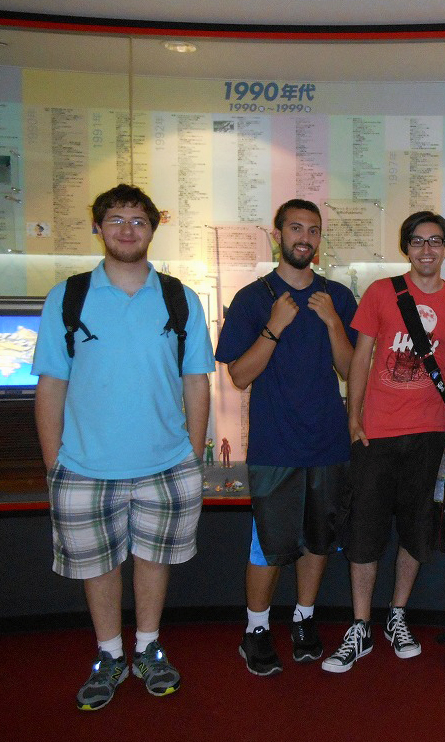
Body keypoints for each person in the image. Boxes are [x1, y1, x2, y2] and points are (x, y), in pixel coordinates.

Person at [32, 183, 214, 710]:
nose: (127, 229)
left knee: (153, 561)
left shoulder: (179, 298)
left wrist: (191, 455)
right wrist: (54, 464)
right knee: (100, 567)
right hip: (84, 467)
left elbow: (196, 381)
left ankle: (148, 647)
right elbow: (51, 385)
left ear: (152, 229)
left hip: (165, 465)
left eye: (138, 220)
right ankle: (110, 654)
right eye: (115, 219)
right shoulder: (68, 297)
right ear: (98, 228)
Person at [324, 211, 445, 673]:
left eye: (435, 241)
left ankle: (397, 615)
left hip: (429, 435)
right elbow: (361, 358)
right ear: (405, 247)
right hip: (376, 434)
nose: (426, 250)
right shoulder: (380, 293)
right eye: (417, 241)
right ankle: (359, 626)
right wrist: (353, 418)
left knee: (416, 530)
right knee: (364, 532)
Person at [214, 198, 357, 677]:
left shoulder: (337, 296)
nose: (305, 238)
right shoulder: (254, 298)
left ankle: (303, 618)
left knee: (318, 539)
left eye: (313, 230)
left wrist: (333, 322)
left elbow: (351, 369)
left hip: (328, 441)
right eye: (296, 228)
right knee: (269, 544)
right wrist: (274, 327)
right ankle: (255, 629)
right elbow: (239, 375)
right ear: (277, 235)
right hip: (275, 443)